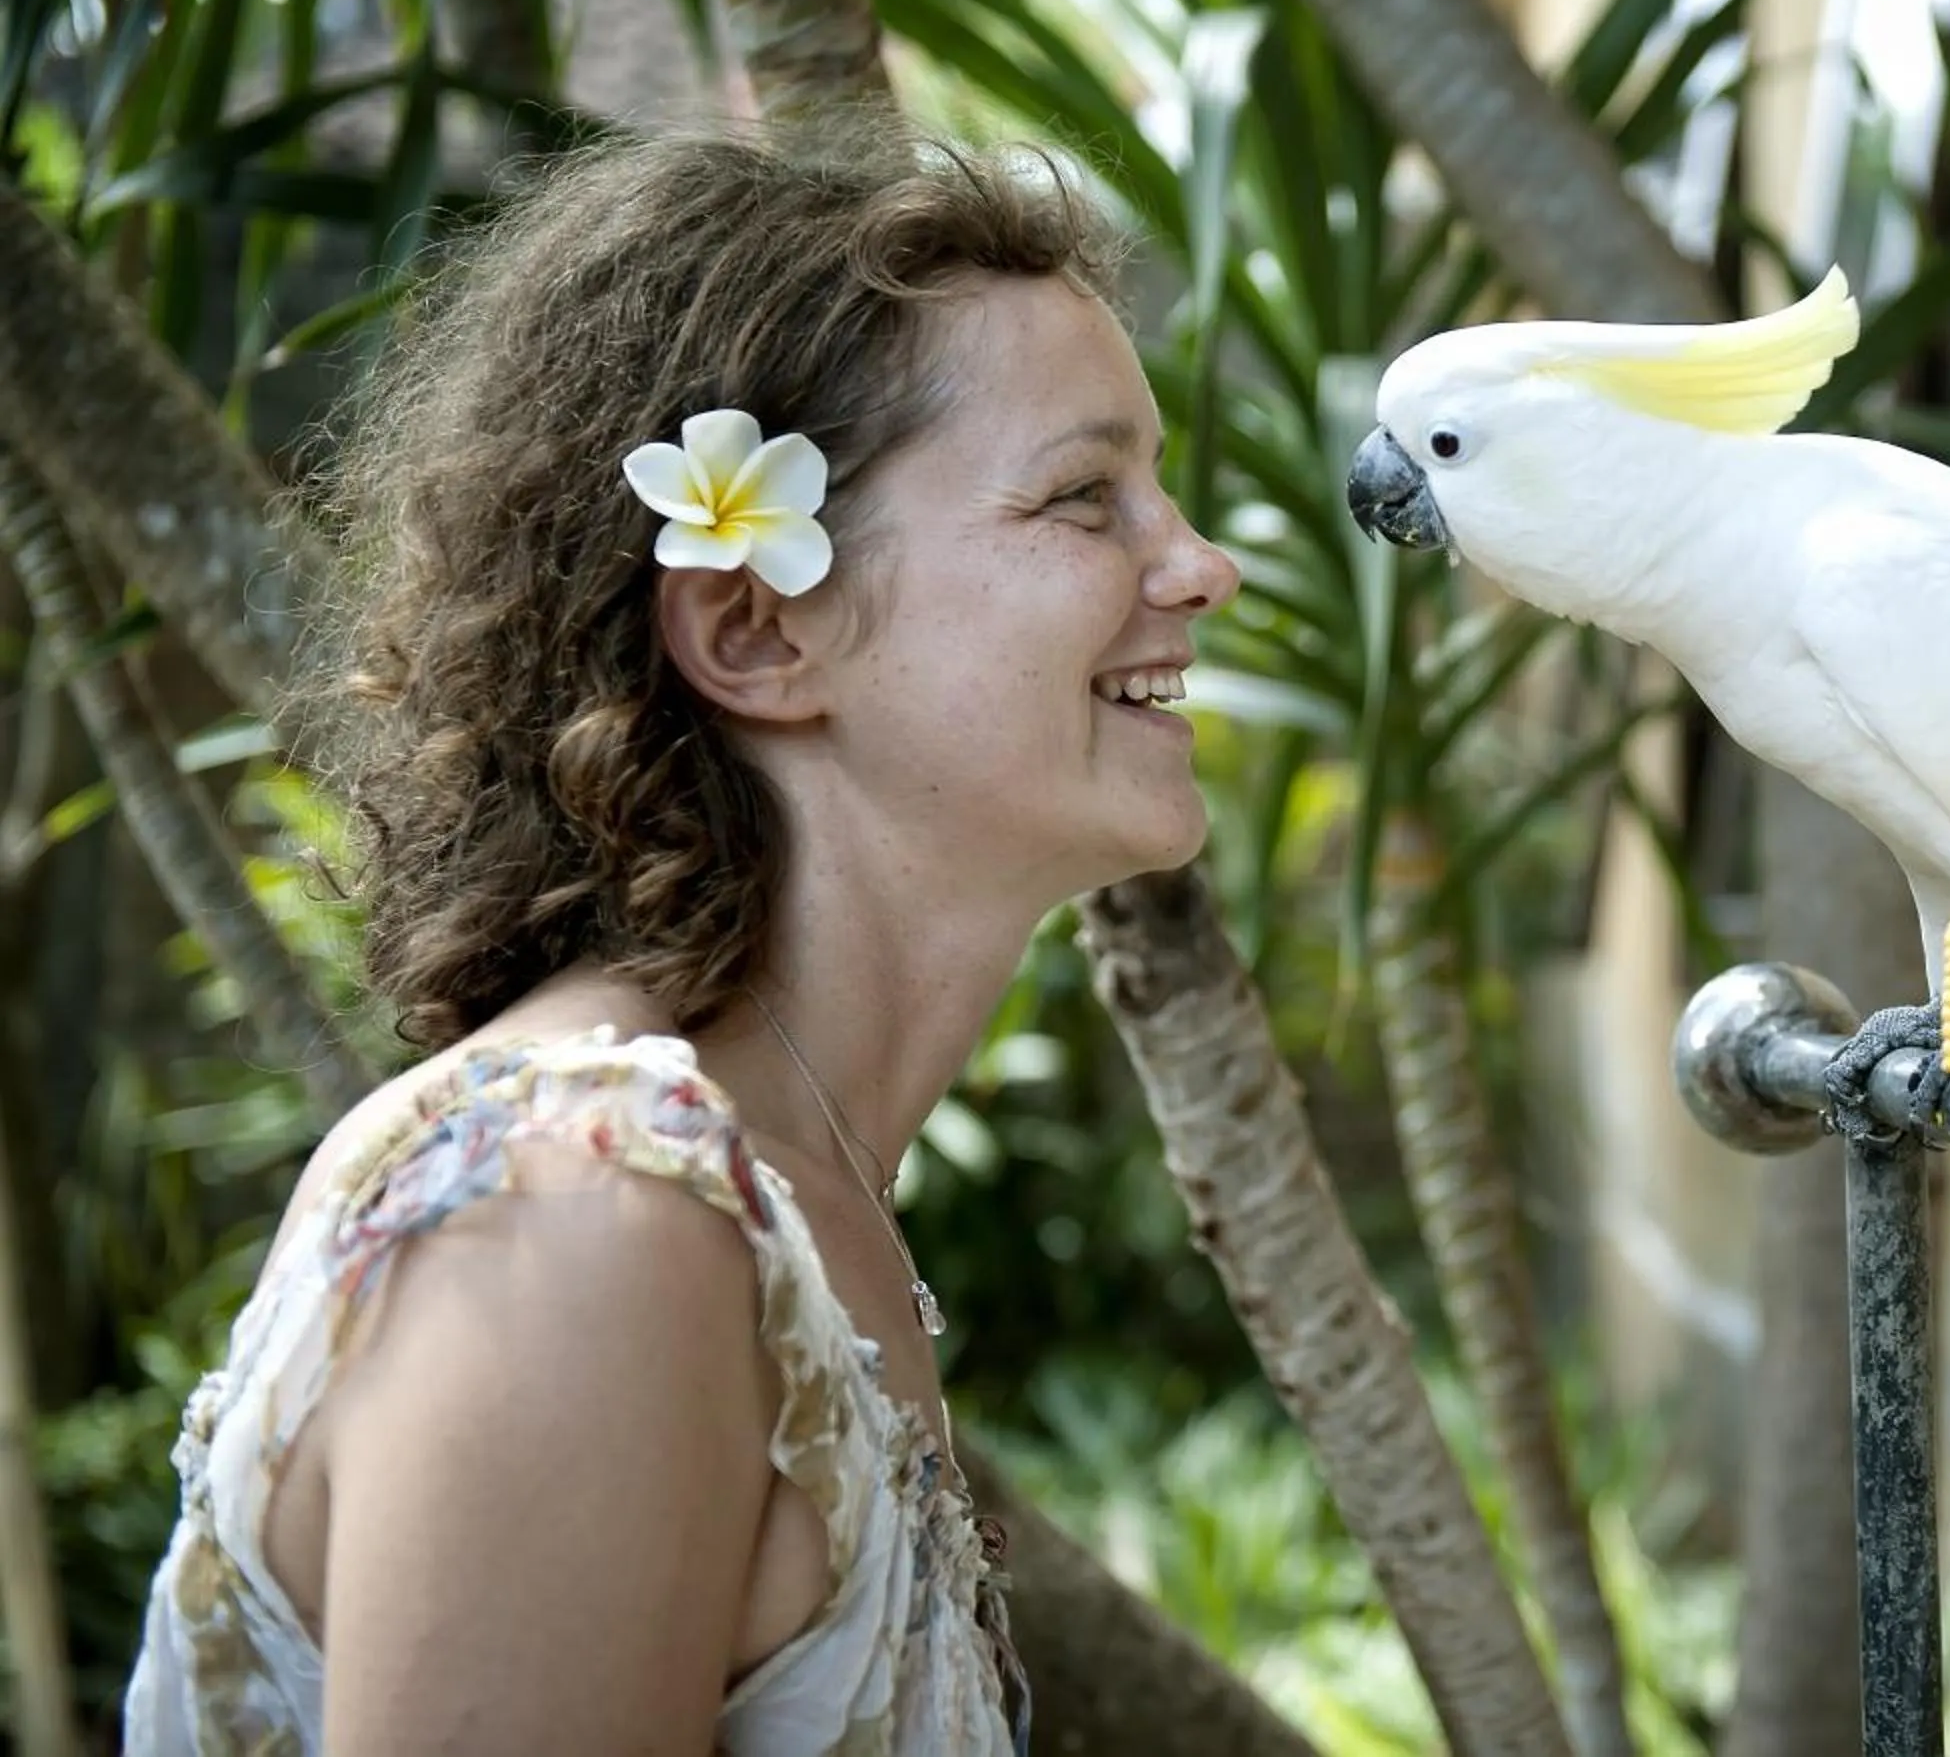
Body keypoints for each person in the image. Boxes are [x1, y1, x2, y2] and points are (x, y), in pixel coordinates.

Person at [121, 124, 1240, 1754]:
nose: (1201, 566)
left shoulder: (768, 1195)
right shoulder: (577, 1219)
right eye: (1086, 499)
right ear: (756, 627)